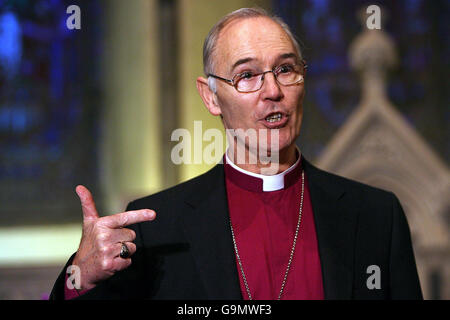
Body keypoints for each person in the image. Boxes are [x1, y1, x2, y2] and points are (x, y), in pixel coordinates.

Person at [50, 8, 422, 300]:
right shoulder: (155, 229)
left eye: (286, 69)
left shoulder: (375, 216)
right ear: (211, 96)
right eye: (247, 75)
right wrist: (78, 275)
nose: (273, 90)